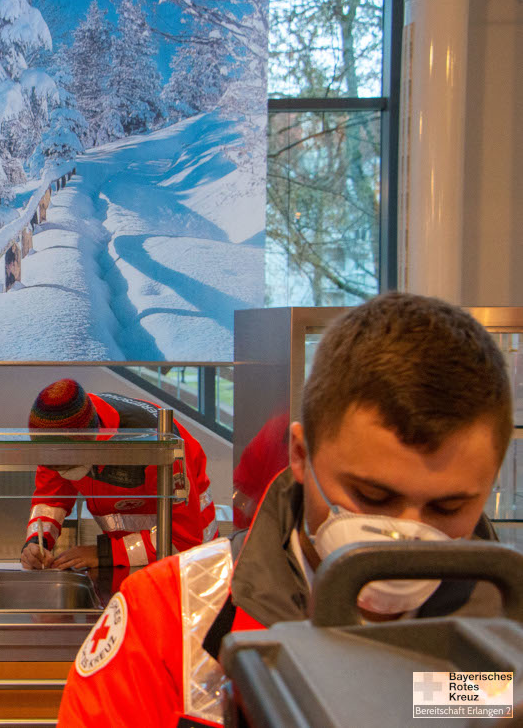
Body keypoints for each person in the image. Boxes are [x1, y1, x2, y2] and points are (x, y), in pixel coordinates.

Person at [57, 293, 513, 727]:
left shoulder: (509, 639)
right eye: (372, 497)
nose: (406, 535)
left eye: (449, 506)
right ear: (300, 454)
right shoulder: (167, 619)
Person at [20, 379, 216, 571]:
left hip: (195, 564)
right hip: (130, 562)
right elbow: (50, 500)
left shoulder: (155, 443)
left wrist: (104, 553)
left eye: (69, 466)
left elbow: (182, 539)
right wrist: (37, 542)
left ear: (91, 443)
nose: (63, 472)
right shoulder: (59, 433)